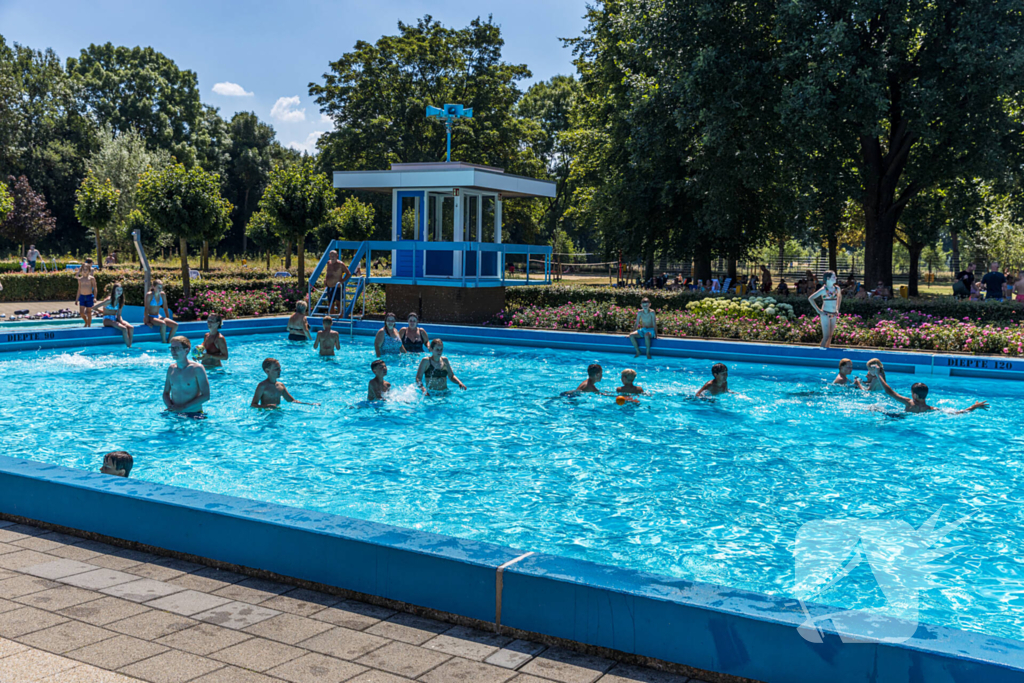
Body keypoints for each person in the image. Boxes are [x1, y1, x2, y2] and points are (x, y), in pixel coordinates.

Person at [877, 376, 989, 414]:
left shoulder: (909, 403)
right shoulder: (930, 409)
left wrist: (878, 375)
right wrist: (973, 407)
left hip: (900, 418)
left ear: (914, 395)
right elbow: (957, 413)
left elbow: (889, 392)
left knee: (876, 409)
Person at [163, 336, 210, 415]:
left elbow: (206, 396)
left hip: (194, 414)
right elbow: (165, 393)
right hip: (175, 414)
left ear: (186, 350)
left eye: (177, 348)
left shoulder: (197, 369)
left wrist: (183, 408)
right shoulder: (171, 369)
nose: (173, 351)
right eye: (172, 348)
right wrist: (170, 406)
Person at [251, 358, 319, 408]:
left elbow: (292, 401)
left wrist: (310, 404)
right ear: (267, 371)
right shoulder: (262, 386)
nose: (280, 371)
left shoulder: (281, 386)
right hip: (266, 414)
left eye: (280, 368)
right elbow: (253, 405)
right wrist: (266, 406)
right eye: (276, 369)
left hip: (278, 412)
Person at [808, 270, 842, 349]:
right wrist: (818, 310)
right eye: (834, 277)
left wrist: (837, 308)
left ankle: (827, 352)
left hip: (834, 314)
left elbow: (839, 297)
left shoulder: (837, 289)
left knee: (830, 336)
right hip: (825, 314)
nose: (836, 278)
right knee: (826, 336)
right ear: (828, 278)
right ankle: (821, 354)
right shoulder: (823, 290)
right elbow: (811, 298)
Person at [97, 281, 134, 348]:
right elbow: (94, 307)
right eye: (117, 290)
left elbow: (119, 315)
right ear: (114, 291)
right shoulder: (109, 300)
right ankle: (129, 346)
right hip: (107, 319)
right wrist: (103, 312)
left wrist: (121, 321)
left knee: (131, 328)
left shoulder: (120, 301)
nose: (119, 292)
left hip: (115, 318)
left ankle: (129, 345)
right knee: (124, 329)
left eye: (121, 290)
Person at [324, 250, 352, 316]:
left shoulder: (341, 264)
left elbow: (348, 273)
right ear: (329, 256)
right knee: (330, 304)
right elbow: (328, 273)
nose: (332, 257)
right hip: (329, 286)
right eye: (331, 256)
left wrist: (342, 281)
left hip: (338, 287)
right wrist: (325, 279)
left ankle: (340, 318)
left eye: (333, 256)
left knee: (338, 303)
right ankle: (332, 319)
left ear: (337, 256)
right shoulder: (328, 263)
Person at [76, 259, 97, 327]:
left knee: (89, 312)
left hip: (89, 296)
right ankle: (86, 321)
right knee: (81, 313)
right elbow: (79, 289)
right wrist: (76, 299)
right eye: (83, 269)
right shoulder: (80, 279)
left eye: (86, 269)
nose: (85, 271)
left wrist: (95, 297)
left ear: (89, 270)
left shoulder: (91, 278)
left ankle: (89, 325)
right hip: (82, 296)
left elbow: (95, 288)